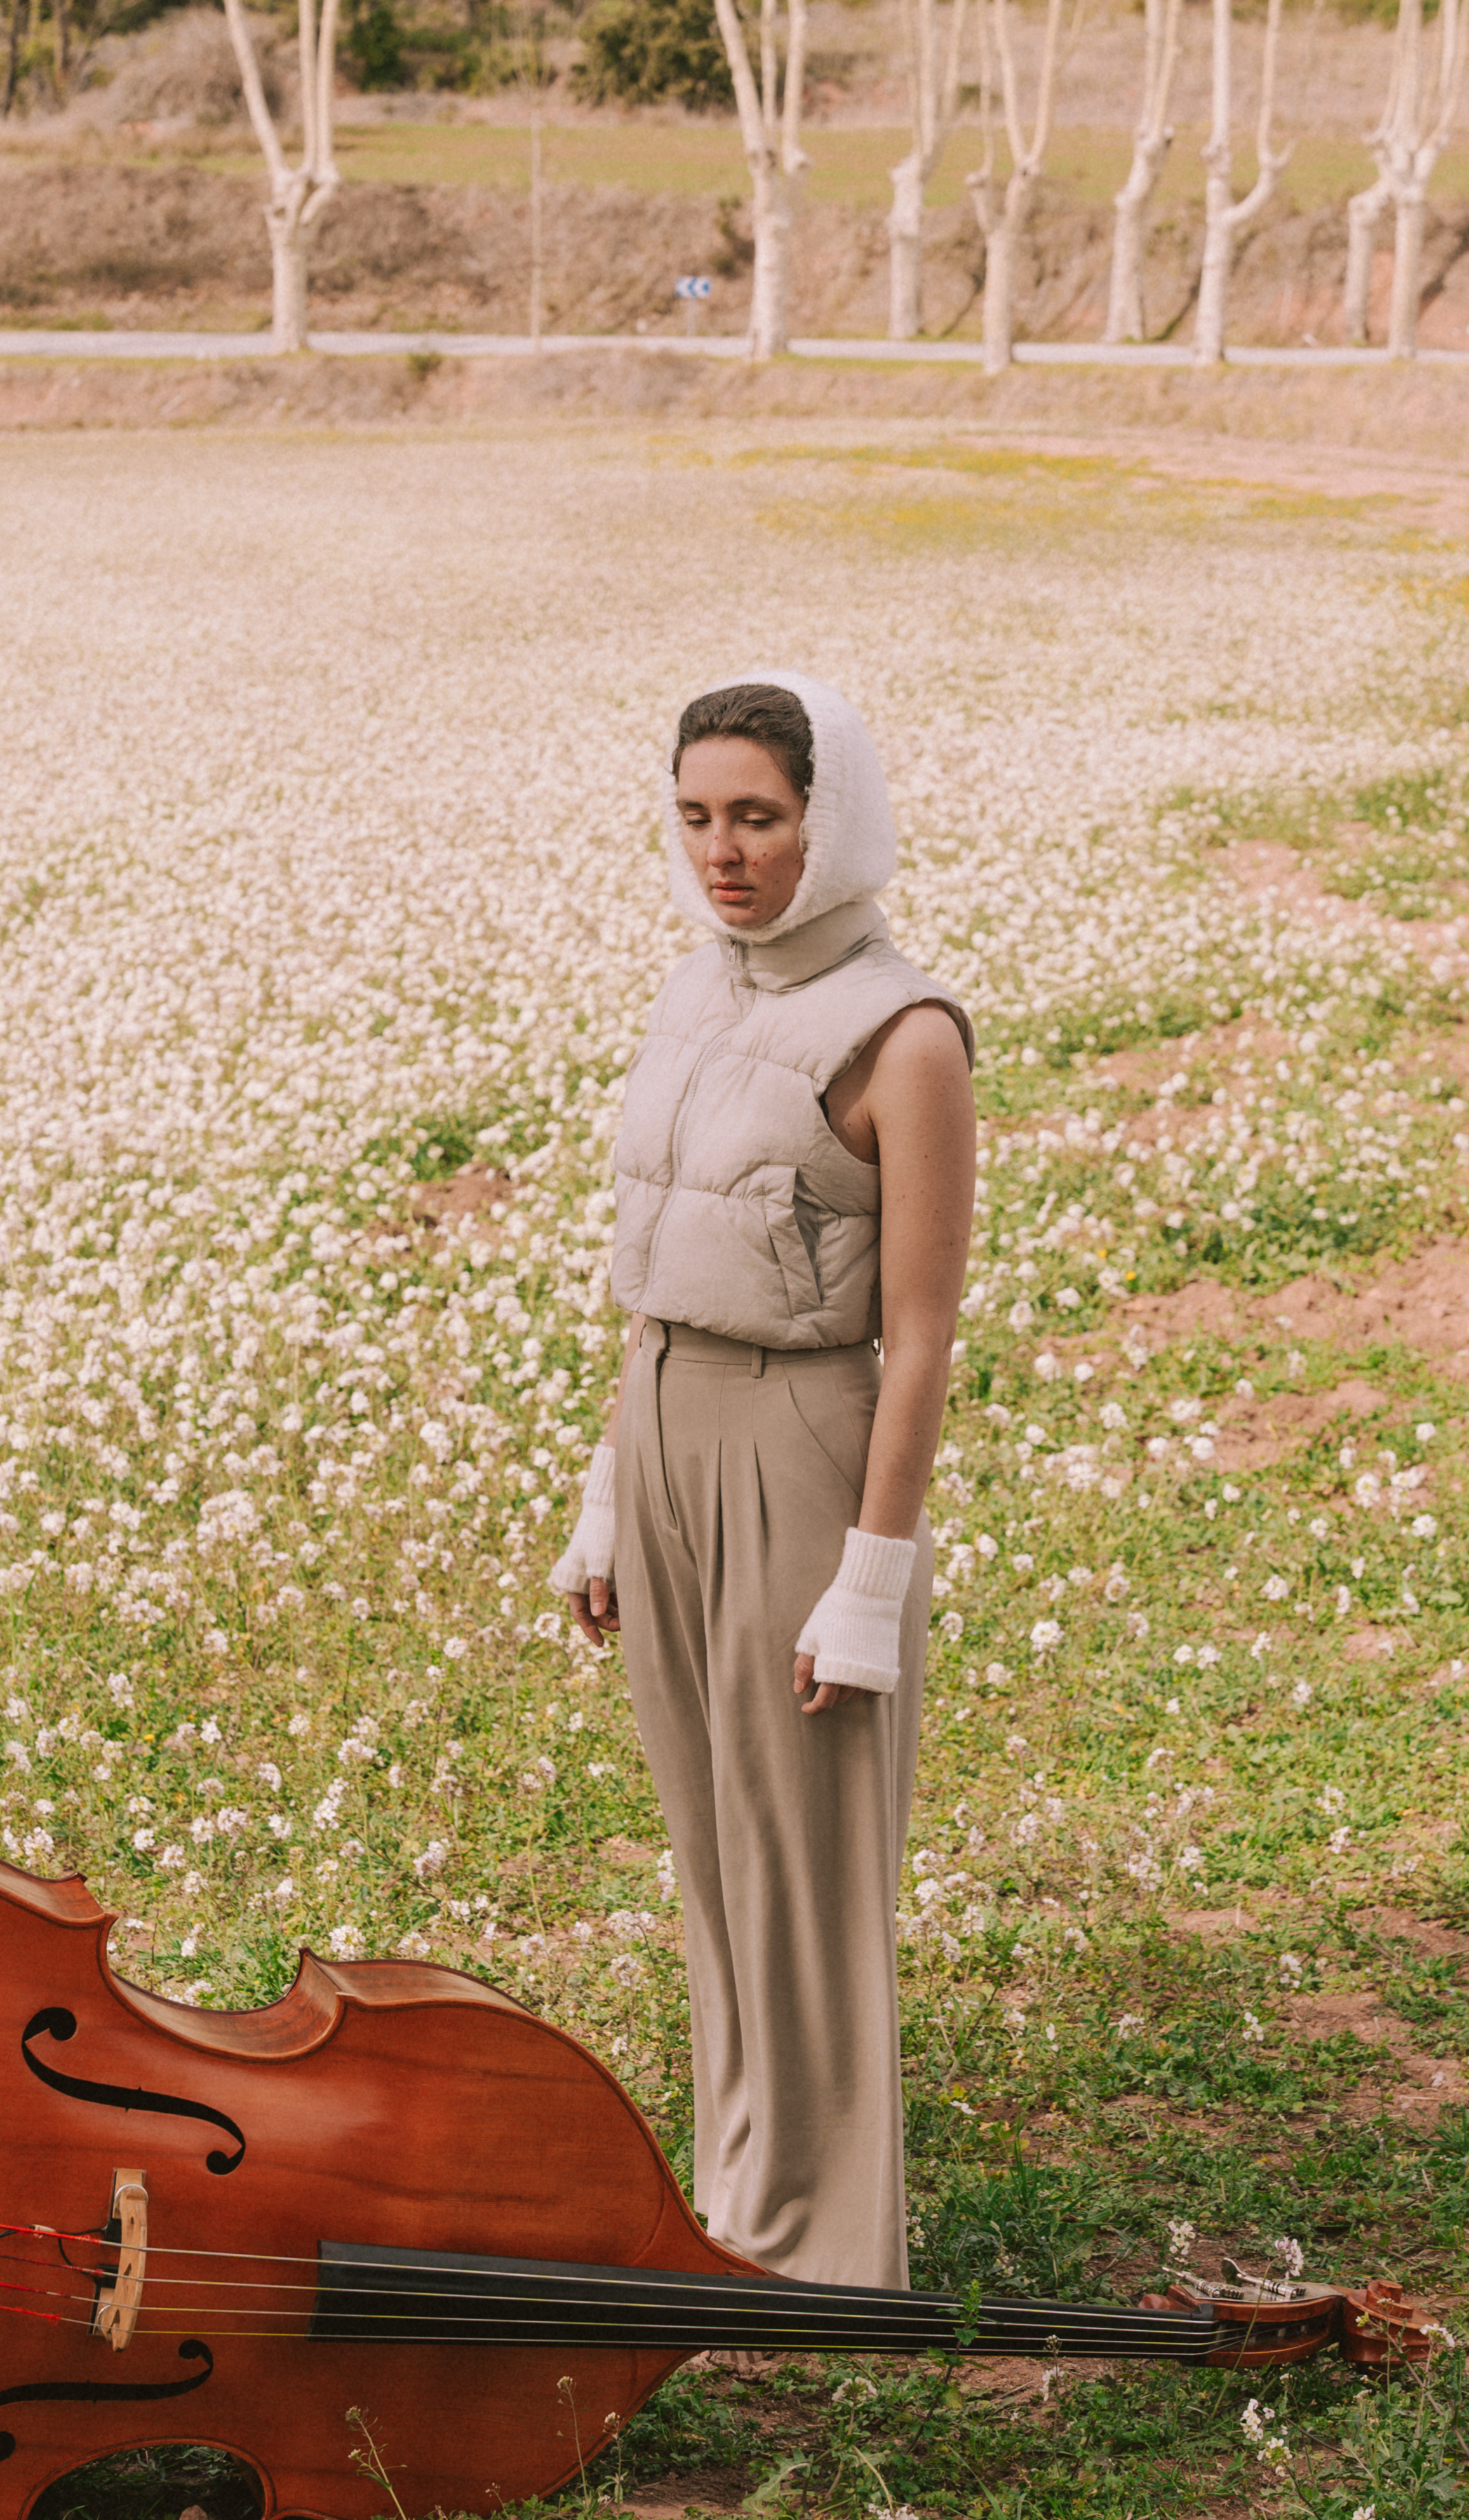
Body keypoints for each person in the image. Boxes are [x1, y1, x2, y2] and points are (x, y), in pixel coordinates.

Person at [551, 673, 977, 2293]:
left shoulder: (901, 1031)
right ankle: (738, 2196)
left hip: (802, 1436)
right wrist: (608, 1490)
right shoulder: (694, 993)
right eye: (696, 816)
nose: (722, 851)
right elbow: (659, 1259)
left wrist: (868, 1582)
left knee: (802, 1851)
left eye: (759, 816)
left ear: (831, 820)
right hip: (663, 1424)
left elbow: (921, 1335)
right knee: (713, 1841)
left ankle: (821, 2248)